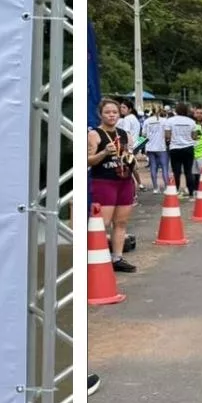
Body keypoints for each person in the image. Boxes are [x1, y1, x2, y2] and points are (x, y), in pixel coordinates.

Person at [88, 99, 138, 273]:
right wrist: (104, 152)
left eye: (115, 112)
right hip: (104, 181)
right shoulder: (94, 134)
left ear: (120, 114)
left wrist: (131, 161)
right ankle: (97, 257)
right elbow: (88, 160)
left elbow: (130, 156)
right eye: (108, 112)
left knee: (121, 222)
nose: (111, 115)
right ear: (101, 114)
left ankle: (117, 257)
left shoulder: (125, 134)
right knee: (103, 222)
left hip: (124, 181)